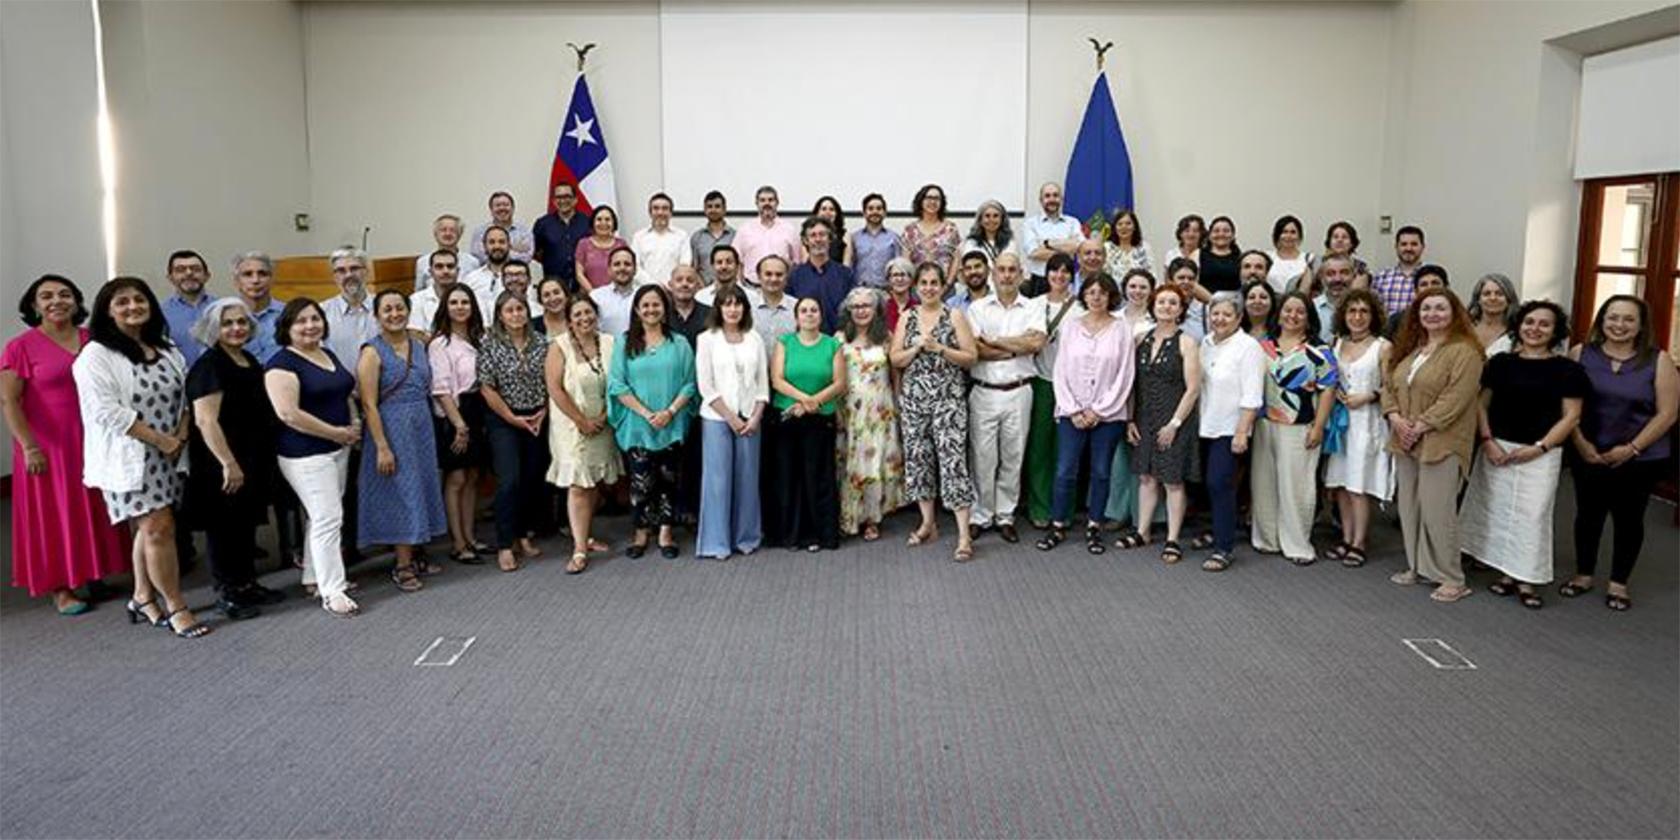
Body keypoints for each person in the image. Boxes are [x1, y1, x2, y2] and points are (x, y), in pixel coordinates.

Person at [73, 278, 205, 637]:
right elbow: (106, 411)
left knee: (150, 529)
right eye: (122, 302)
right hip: (131, 455)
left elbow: (186, 392)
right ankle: (176, 605)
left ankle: (143, 597)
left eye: (139, 300)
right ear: (106, 310)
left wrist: (179, 432)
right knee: (159, 529)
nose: (133, 307)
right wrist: (160, 440)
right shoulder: (95, 355)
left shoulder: (164, 347)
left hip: (172, 452)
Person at [1, 275, 127, 614]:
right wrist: (29, 447)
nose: (56, 301)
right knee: (55, 513)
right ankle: (62, 587)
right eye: (46, 296)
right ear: (33, 305)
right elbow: (9, 401)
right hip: (48, 445)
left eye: (64, 294)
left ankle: (93, 574)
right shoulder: (20, 347)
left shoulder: (94, 339)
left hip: (93, 439)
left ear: (77, 301)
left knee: (94, 505)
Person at [1459, 300, 1587, 609]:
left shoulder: (1568, 369)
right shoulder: (1501, 363)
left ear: (1556, 331)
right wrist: (1487, 440)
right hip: (1498, 447)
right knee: (1498, 511)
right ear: (1519, 326)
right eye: (1530, 322)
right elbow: (1480, 404)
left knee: (1532, 516)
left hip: (1541, 453)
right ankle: (1505, 573)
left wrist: (1541, 447)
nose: (1535, 329)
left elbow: (1571, 417)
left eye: (1544, 324)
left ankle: (1527, 579)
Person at [1561, 295, 1679, 611]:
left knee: (1629, 519)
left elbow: (1667, 414)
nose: (1619, 325)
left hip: (1641, 456)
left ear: (1641, 326)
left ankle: (1618, 583)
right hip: (1588, 449)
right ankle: (1583, 575)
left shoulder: (1659, 360)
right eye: (1613, 317)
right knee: (1587, 515)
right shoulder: (1580, 354)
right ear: (1602, 320)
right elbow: (1567, 405)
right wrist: (1581, 443)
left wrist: (1632, 448)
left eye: (1629, 319)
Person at [183, 298, 284, 620]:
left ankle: (247, 583)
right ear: (213, 329)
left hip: (252, 455)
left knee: (245, 524)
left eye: (241, 322)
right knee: (223, 528)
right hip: (222, 461)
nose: (236, 328)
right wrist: (228, 463)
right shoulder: (209, 365)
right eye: (227, 323)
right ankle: (228, 592)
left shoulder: (247, 359)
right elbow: (205, 421)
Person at [1381, 288, 1484, 603]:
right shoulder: (1412, 350)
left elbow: (1457, 397)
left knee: (1438, 509)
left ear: (1454, 313)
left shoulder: (1465, 351)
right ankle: (1417, 566)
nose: (1432, 314)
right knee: (1410, 506)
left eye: (1440, 308)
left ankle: (1452, 577)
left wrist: (1421, 425)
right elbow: (1388, 386)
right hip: (1405, 438)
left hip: (1442, 440)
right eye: (1426, 309)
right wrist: (1397, 419)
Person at [264, 298, 361, 617]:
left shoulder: (326, 353)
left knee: (321, 516)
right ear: (287, 328)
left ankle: (314, 577)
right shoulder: (281, 364)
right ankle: (333, 590)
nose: (310, 326)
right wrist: (336, 433)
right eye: (301, 321)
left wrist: (352, 423)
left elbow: (344, 391)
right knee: (328, 518)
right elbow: (289, 414)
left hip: (338, 448)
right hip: (304, 454)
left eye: (315, 319)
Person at [356, 290, 447, 592]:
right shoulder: (371, 352)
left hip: (420, 426)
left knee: (420, 488)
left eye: (399, 308)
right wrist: (382, 446)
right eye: (387, 310)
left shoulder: (419, 344)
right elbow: (368, 404)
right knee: (400, 493)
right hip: (390, 429)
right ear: (377, 315)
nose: (394, 314)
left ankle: (418, 553)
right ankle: (402, 565)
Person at [1038, 273, 1135, 553]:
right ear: (1084, 295)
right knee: (1065, 470)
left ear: (1110, 296)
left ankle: (1094, 526)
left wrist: (1100, 410)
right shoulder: (1071, 326)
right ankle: (1057, 525)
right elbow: (1061, 370)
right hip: (1072, 413)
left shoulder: (1121, 329)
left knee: (1101, 471)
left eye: (1102, 293)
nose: (1096, 297)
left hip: (1108, 415)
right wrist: (1073, 409)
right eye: (1091, 292)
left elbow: (1124, 375)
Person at [891, 262, 980, 561]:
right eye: (924, 282)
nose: (929, 287)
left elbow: (970, 357)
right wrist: (916, 348)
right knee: (919, 460)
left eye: (934, 282)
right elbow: (895, 358)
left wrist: (940, 348)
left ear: (943, 286)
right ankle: (928, 523)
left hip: (948, 401)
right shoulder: (907, 316)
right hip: (915, 400)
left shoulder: (954, 315)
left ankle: (964, 535)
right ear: (916, 286)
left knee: (953, 461)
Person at [609, 284, 696, 558]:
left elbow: (690, 384)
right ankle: (641, 532)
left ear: (664, 308)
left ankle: (666, 532)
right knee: (640, 482)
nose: (651, 309)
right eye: (645, 305)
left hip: (671, 423)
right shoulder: (624, 343)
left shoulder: (679, 343)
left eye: (656, 304)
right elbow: (617, 384)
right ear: (636, 309)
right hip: (638, 425)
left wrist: (669, 412)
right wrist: (647, 414)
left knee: (669, 479)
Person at [1250, 291, 1338, 566]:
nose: (1293, 316)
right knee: (1264, 484)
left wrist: (1319, 427)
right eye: (1288, 310)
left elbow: (1328, 390)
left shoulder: (1319, 351)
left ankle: (1298, 544)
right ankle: (1267, 539)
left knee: (1296, 487)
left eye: (1300, 311)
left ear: (1309, 317)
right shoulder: (1264, 346)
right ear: (1279, 313)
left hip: (1300, 426)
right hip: (1265, 424)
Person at [966, 252, 1045, 543]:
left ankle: (1005, 515)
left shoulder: (1033, 307)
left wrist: (996, 342)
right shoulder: (977, 308)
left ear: (1022, 274)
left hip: (1019, 390)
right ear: (993, 274)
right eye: (1002, 270)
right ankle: (981, 514)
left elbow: (1037, 342)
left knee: (1013, 456)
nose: (1007, 275)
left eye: (1013, 270)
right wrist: (1017, 347)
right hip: (984, 391)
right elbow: (976, 350)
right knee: (983, 458)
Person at [1119, 284, 1202, 562]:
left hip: (1174, 419)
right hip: (1144, 417)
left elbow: (1193, 389)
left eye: (1173, 303)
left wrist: (1175, 423)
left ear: (1180, 309)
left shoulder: (1186, 342)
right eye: (1162, 302)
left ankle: (1172, 538)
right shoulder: (1140, 339)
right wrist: (1130, 418)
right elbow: (1133, 384)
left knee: (1173, 480)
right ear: (1153, 306)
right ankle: (1142, 531)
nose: (1166, 306)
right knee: (1146, 476)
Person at [545, 296, 624, 573]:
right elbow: (554, 389)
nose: (584, 319)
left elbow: (618, 382)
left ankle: (586, 535)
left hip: (603, 422)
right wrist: (581, 421)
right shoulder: (559, 346)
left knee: (594, 480)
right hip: (571, 426)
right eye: (577, 314)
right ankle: (579, 550)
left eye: (588, 312)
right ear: (569, 319)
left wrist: (603, 417)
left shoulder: (610, 343)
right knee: (578, 484)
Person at [479, 290, 551, 571]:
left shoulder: (540, 342)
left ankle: (522, 534)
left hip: (536, 417)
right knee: (509, 479)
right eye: (509, 310)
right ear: (500, 314)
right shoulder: (490, 344)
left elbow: (551, 379)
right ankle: (505, 544)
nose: (516, 315)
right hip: (503, 419)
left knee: (531, 478)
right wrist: (510, 417)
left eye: (520, 309)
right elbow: (486, 386)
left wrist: (543, 410)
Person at [693, 286, 767, 559]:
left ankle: (746, 537)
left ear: (745, 309)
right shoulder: (706, 339)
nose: (733, 309)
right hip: (717, 418)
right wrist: (731, 418)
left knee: (748, 479)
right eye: (727, 305)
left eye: (738, 304)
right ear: (719, 309)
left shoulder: (754, 339)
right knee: (718, 481)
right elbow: (706, 385)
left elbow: (762, 384)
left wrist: (755, 416)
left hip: (751, 418)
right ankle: (717, 542)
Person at [768, 297, 846, 551]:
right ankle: (790, 535)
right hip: (788, 416)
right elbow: (777, 380)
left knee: (818, 478)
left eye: (814, 310)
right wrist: (804, 401)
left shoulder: (832, 344)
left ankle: (818, 535)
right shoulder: (784, 343)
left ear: (821, 316)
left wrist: (813, 404)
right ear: (796, 316)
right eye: (804, 310)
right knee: (789, 477)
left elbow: (839, 383)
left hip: (820, 419)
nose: (809, 314)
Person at [1322, 289, 1393, 568]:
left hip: (1367, 421)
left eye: (1364, 311)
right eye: (1352, 311)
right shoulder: (1336, 343)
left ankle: (1360, 542)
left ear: (1373, 316)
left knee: (1359, 485)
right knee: (1341, 484)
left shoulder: (1382, 347)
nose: (1357, 317)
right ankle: (1346, 537)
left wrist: (1370, 396)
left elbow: (1391, 387)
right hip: (1341, 423)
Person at [1194, 293, 1264, 572]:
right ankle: (1216, 531)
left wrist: (1241, 431)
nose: (1219, 319)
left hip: (1230, 427)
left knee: (1220, 483)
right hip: (1204, 425)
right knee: (1206, 484)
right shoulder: (1207, 343)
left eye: (1226, 314)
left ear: (1238, 318)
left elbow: (1253, 394)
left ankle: (1224, 548)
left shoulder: (1248, 347)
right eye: (1215, 314)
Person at [836, 286, 905, 541]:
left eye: (867, 306)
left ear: (876, 310)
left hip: (880, 409)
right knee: (852, 464)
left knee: (875, 462)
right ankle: (850, 516)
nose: (861, 311)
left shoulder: (886, 337)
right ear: (849, 311)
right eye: (856, 306)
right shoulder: (839, 338)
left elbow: (895, 372)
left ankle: (872, 518)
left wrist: (897, 402)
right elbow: (835, 377)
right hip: (850, 410)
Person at [428, 286, 488, 564]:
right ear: (445, 307)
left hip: (479, 409)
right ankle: (458, 543)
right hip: (456, 412)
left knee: (473, 476)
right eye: (454, 302)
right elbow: (440, 388)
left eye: (465, 302)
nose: (460, 307)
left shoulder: (479, 338)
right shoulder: (441, 344)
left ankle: (471, 536)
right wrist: (459, 425)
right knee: (457, 479)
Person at [1024, 253, 1082, 529]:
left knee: (1066, 450)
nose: (1059, 276)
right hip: (1041, 380)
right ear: (1046, 275)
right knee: (1039, 448)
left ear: (1072, 276)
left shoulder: (1081, 308)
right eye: (1054, 271)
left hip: (1071, 385)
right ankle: (1039, 507)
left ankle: (1063, 509)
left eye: (1065, 272)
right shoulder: (1033, 305)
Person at [667, 265, 710, 523]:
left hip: (701, 397)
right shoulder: (660, 314)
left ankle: (694, 510)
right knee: (669, 458)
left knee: (696, 456)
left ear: (697, 285)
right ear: (670, 283)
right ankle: (667, 514)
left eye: (690, 280)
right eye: (679, 279)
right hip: (667, 397)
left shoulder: (709, 315)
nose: (684, 284)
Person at [788, 216, 856, 333]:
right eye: (813, 235)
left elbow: (852, 310)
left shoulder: (845, 274)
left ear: (830, 238)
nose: (818, 239)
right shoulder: (794, 277)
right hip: (805, 342)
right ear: (805, 241)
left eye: (822, 234)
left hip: (838, 341)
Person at [322, 247, 378, 378]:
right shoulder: (321, 313)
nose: (348, 275)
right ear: (334, 277)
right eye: (341, 271)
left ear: (367, 272)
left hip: (384, 392)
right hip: (340, 393)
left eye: (354, 269)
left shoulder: (384, 308)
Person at [1021, 182, 1083, 294]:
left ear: (1061, 199)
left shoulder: (1073, 222)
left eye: (1055, 195)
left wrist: (1047, 244)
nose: (1052, 199)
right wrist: (1065, 251)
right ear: (1041, 200)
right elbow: (1034, 252)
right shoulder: (1030, 224)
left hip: (1067, 280)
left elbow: (1079, 247)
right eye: (1047, 196)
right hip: (1040, 282)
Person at [734, 185, 800, 287]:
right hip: (752, 288)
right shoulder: (744, 230)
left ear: (777, 203)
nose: (767, 203)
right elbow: (737, 261)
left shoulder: (789, 229)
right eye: (762, 200)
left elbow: (796, 262)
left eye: (771, 200)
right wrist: (740, 286)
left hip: (782, 288)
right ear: (757, 203)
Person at [533, 183, 590, 293]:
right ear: (554, 201)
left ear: (575, 200)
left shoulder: (587, 222)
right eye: (559, 197)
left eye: (567, 196)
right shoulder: (543, 224)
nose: (563, 201)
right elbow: (535, 252)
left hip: (583, 286)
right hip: (554, 287)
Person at [233, 251, 286, 364]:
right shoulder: (223, 317)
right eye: (248, 274)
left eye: (262, 274)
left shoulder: (288, 314)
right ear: (236, 281)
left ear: (272, 280)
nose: (256, 280)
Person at [161, 250, 213, 366]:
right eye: (180, 270)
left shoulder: (222, 309)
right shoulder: (160, 313)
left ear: (207, 276)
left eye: (195, 269)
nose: (189, 273)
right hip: (180, 381)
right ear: (170, 278)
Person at [901, 184, 961, 283]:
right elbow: (906, 262)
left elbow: (957, 259)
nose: (933, 202)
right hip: (917, 289)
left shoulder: (951, 229)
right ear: (921, 201)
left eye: (937, 199)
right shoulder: (910, 230)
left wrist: (947, 285)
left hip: (945, 288)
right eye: (929, 198)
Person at [631, 192, 691, 286]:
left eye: (665, 208)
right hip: (646, 290)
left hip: (674, 291)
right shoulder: (639, 237)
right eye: (656, 208)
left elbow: (685, 265)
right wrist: (655, 285)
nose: (660, 212)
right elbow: (635, 266)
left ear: (671, 212)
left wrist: (671, 285)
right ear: (650, 212)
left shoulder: (682, 236)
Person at [846, 193, 901, 290]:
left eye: (879, 208)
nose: (875, 212)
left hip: (886, 292)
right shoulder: (854, 238)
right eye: (870, 209)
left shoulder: (894, 238)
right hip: (860, 291)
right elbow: (850, 266)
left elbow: (899, 267)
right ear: (864, 213)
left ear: (884, 212)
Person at [1368, 226, 1426, 316]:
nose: (1409, 248)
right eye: (1404, 244)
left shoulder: (1430, 278)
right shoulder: (1381, 278)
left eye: (1414, 244)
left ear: (1422, 247)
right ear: (1396, 247)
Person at [414, 214, 480, 291]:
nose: (448, 234)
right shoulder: (423, 262)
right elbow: (418, 292)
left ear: (460, 234)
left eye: (453, 230)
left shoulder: (472, 262)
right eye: (443, 230)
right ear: (435, 234)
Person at [590, 245, 644, 336]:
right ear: (609, 270)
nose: (622, 268)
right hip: (607, 349)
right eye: (617, 264)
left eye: (627, 264)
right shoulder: (596, 297)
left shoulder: (644, 295)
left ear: (635, 269)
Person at [463, 226, 513, 323]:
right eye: (492, 242)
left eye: (502, 242)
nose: (497, 246)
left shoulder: (519, 278)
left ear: (509, 245)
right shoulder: (471, 279)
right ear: (484, 246)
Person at [468, 191, 534, 265]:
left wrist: (495, 252)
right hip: (487, 274)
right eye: (498, 205)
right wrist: (512, 249)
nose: (502, 208)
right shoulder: (480, 231)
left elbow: (526, 258)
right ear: (491, 209)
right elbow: (478, 257)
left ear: (513, 208)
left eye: (506, 205)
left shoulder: (524, 231)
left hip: (515, 274)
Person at [574, 205, 628, 291]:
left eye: (607, 219)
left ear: (614, 223)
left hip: (618, 295)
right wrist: (595, 294)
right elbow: (579, 274)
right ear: (593, 222)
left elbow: (627, 271)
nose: (603, 223)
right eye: (599, 219)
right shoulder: (583, 244)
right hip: (590, 296)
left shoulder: (621, 244)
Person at [408, 250, 463, 336]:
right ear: (431, 272)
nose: (445, 271)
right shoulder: (416, 299)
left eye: (450, 266)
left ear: (458, 271)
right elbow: (414, 333)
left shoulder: (471, 297)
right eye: (439, 267)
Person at [1386, 264, 1449, 336]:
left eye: (1435, 283)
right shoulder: (1399, 320)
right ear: (1416, 291)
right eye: (1424, 284)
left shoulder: (1457, 316)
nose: (1430, 288)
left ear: (1446, 288)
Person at [689, 190, 736, 286]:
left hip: (730, 289)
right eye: (709, 207)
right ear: (705, 210)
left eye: (717, 206)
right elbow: (694, 267)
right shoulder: (697, 237)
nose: (713, 210)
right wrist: (702, 288)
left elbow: (738, 266)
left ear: (724, 209)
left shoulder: (735, 236)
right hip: (703, 289)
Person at [751, 255, 798, 345]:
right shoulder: (747, 307)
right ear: (759, 277)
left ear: (786, 278)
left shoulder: (797, 307)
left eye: (779, 274)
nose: (773, 279)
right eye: (768, 274)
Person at [696, 245, 761, 308]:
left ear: (737, 266)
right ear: (712, 267)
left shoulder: (751, 297)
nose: (724, 267)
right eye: (719, 262)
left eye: (729, 262)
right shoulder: (701, 297)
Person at [1468, 272, 1518, 355]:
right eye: (1487, 294)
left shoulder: (1517, 333)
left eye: (1499, 294)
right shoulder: (1465, 328)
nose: (1493, 298)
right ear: (1478, 300)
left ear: (1509, 300)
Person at [1310, 255, 1356, 343]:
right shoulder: (1311, 308)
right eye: (1330, 274)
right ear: (1322, 278)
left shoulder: (1365, 310)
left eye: (1344, 273)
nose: (1338, 279)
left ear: (1353, 276)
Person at [1162, 257, 1210, 342]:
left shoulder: (1205, 310)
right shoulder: (1161, 308)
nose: (1186, 282)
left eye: (1191, 278)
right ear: (1171, 281)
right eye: (1181, 278)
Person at [1265, 215, 1312, 293]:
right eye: (1284, 232)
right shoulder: (1267, 257)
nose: (1288, 236)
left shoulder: (1309, 259)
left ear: (1299, 236)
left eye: (1293, 232)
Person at [961, 199, 1016, 264]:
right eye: (987, 216)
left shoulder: (1010, 242)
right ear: (980, 220)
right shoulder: (971, 243)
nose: (991, 220)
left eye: (995, 216)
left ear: (1002, 220)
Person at [1103, 209, 1152, 278]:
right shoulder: (1107, 248)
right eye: (1120, 224)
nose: (1124, 227)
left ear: (1134, 227)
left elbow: (1152, 273)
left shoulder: (1144, 248)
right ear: (1114, 228)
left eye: (1128, 224)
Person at [1199, 216, 1242, 293]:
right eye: (1216, 231)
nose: (1221, 234)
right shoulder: (1197, 255)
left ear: (1232, 235)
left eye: (1226, 231)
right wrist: (1213, 301)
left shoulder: (1240, 257)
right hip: (1204, 302)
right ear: (1209, 235)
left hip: (1234, 302)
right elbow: (1192, 283)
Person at [881, 256, 917, 333]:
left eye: (903, 275)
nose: (899, 279)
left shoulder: (918, 308)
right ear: (889, 280)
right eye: (895, 275)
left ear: (911, 280)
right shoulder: (882, 309)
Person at [809, 195, 849, 264]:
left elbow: (846, 266)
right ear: (817, 213)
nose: (827, 212)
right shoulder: (808, 235)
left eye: (832, 209)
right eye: (824, 209)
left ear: (837, 214)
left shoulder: (845, 236)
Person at [1117, 267, 1154, 338]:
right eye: (1132, 286)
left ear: (1151, 291)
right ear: (1124, 289)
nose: (1137, 291)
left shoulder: (1156, 321)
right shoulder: (1112, 318)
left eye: (1143, 287)